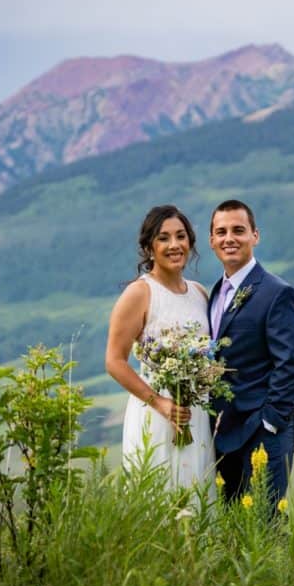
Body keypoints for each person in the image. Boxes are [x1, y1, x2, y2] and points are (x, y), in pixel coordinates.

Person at [105, 204, 216, 497]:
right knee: (160, 496)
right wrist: (160, 403)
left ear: (190, 242)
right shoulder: (139, 293)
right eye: (164, 238)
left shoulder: (199, 293)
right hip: (157, 414)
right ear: (149, 247)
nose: (174, 245)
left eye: (181, 236)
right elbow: (115, 361)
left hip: (194, 412)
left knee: (197, 495)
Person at [208, 199, 294, 505]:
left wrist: (271, 421)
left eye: (238, 230)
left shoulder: (278, 293)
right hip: (223, 435)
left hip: (262, 431)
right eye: (221, 231)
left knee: (265, 526)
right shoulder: (215, 292)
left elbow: (291, 363)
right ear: (212, 240)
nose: (230, 238)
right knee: (231, 528)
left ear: (255, 235)